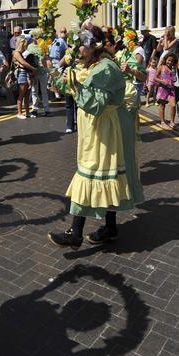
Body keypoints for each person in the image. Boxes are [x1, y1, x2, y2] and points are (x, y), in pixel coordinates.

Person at [49, 24, 144, 248]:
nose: (76, 48)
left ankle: (75, 234)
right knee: (103, 175)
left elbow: (96, 105)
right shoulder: (86, 65)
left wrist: (74, 85)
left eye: (81, 43)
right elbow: (67, 87)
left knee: (91, 174)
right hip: (93, 129)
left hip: (106, 129)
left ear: (94, 46)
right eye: (76, 43)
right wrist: (59, 72)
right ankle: (110, 228)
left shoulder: (106, 68)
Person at [27, 31, 51, 116]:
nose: (36, 38)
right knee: (34, 90)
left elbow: (47, 57)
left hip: (43, 70)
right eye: (34, 36)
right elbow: (27, 58)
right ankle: (34, 108)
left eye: (37, 37)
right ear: (32, 37)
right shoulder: (29, 47)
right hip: (34, 71)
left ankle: (46, 108)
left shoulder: (43, 45)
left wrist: (48, 67)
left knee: (44, 91)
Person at [12, 37, 35, 119]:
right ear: (21, 44)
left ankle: (27, 112)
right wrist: (33, 68)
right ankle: (19, 112)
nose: (26, 45)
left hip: (27, 73)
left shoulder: (23, 52)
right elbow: (23, 62)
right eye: (25, 44)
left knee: (27, 94)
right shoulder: (16, 53)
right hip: (21, 73)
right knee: (21, 93)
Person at [153, 53, 178, 128]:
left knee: (173, 105)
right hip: (163, 88)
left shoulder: (173, 69)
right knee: (162, 105)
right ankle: (162, 121)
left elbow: (174, 78)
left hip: (171, 89)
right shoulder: (161, 67)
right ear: (166, 60)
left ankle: (172, 122)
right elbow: (155, 78)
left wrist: (175, 79)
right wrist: (162, 81)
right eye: (169, 60)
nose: (170, 62)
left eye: (172, 61)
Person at [49, 28, 69, 102]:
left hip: (58, 61)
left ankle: (64, 94)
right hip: (51, 61)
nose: (50, 34)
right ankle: (57, 95)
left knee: (59, 78)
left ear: (55, 33)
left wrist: (61, 62)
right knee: (52, 80)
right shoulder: (49, 42)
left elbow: (66, 51)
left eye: (52, 33)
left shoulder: (60, 41)